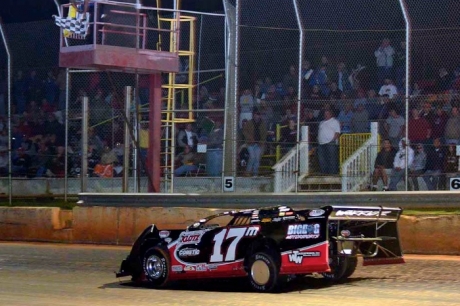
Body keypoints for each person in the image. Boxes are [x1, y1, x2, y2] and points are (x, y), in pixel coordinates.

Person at [243, 111, 267, 177]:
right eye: (255, 115)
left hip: (259, 143)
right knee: (252, 157)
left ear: (260, 116)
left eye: (258, 115)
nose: (256, 116)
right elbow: (244, 131)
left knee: (257, 159)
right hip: (250, 143)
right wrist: (250, 138)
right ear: (253, 115)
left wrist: (262, 141)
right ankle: (248, 172)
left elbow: (264, 133)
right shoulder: (249, 123)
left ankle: (255, 174)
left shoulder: (262, 124)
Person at [317, 109, 340, 175]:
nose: (325, 115)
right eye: (325, 114)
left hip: (330, 142)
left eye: (327, 113)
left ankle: (333, 173)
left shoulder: (335, 121)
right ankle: (324, 172)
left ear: (330, 114)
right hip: (321, 143)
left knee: (332, 158)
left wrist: (333, 140)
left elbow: (337, 132)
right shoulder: (321, 122)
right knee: (322, 159)